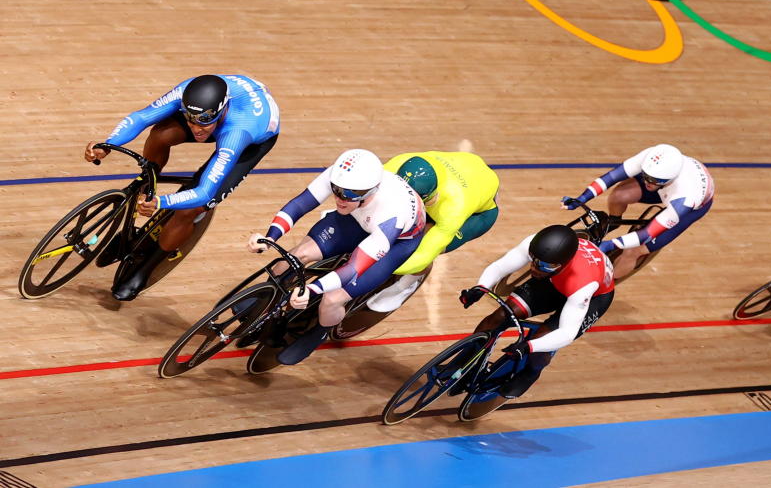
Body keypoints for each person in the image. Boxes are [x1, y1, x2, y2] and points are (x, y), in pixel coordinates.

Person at [84, 74, 280, 300]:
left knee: (191, 209)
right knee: (160, 134)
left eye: (203, 122)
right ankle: (147, 187)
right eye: (190, 119)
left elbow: (204, 192)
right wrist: (108, 144)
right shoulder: (186, 93)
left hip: (252, 135)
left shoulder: (238, 132)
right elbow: (142, 117)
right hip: (220, 112)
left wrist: (161, 203)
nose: (196, 129)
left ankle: (145, 269)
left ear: (221, 110)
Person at [247, 149, 426, 365]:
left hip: (396, 241)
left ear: (370, 192)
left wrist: (312, 289)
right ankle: (265, 310)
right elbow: (301, 204)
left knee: (331, 299)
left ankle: (319, 333)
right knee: (292, 259)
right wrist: (270, 237)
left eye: (349, 194)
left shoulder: (392, 214)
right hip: (356, 217)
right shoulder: (342, 176)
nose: (339, 198)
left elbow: (354, 268)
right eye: (337, 191)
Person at [458, 224, 615, 400]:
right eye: (534, 260)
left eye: (544, 266)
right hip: (553, 281)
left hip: (593, 297)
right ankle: (466, 360)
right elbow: (500, 267)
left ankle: (530, 374)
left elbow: (567, 333)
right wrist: (480, 287)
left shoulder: (583, 283)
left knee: (541, 339)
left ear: (562, 264)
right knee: (500, 316)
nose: (534, 268)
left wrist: (529, 346)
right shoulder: (537, 247)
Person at [361, 151, 500, 314]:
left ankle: (407, 284)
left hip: (478, 213)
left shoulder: (454, 206)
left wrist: (375, 267)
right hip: (463, 167)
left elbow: (422, 256)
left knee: (421, 244)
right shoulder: (397, 165)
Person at [563, 144, 714, 278]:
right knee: (618, 195)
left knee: (633, 250)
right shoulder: (652, 157)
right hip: (664, 187)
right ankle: (613, 222)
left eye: (653, 180)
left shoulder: (685, 199)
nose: (647, 182)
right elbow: (611, 177)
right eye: (645, 177)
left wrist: (610, 245)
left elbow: (646, 234)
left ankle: (602, 288)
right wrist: (582, 198)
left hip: (687, 207)